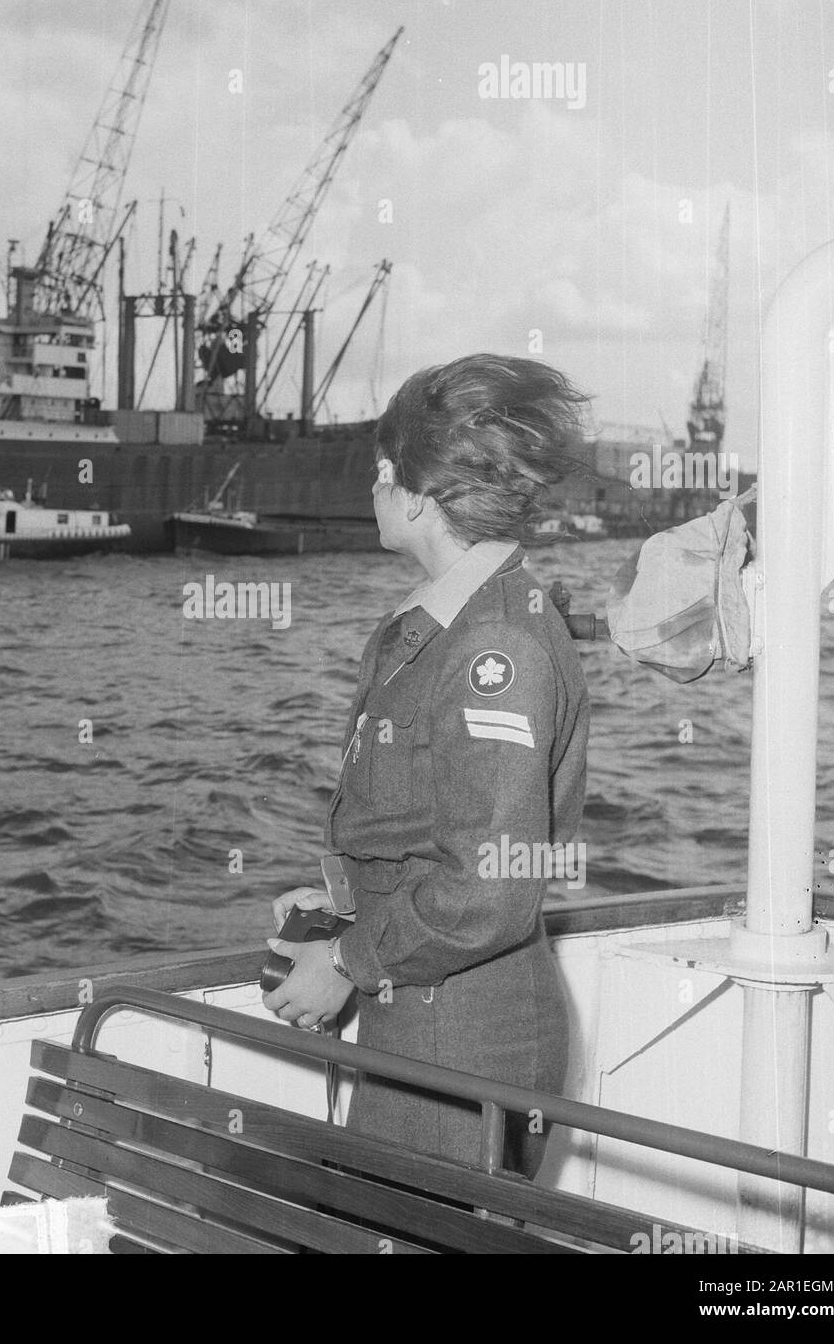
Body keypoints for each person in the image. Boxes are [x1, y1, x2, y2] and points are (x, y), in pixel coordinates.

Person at [263, 353, 591, 1178]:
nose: (372, 488)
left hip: (461, 1040)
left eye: (381, 470)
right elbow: (425, 825)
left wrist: (345, 960)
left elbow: (488, 886)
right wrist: (345, 902)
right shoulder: (441, 627)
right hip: (424, 1017)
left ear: (415, 494)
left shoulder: (493, 647)